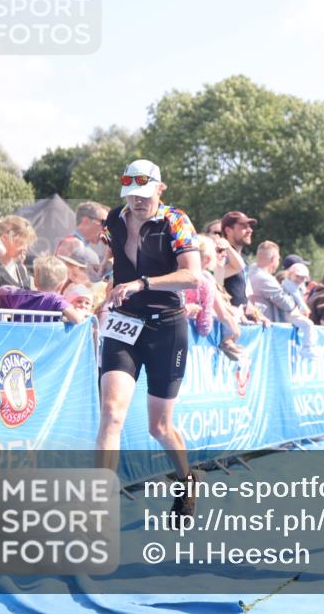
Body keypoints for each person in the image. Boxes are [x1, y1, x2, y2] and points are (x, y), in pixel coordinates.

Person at [95, 159, 204, 526]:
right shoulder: (114, 218)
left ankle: (187, 479)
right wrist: (103, 275)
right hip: (125, 324)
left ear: (161, 188)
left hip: (166, 328)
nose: (138, 202)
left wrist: (142, 283)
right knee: (111, 414)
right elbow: (114, 258)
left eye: (145, 195)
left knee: (159, 427)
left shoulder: (175, 221)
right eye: (131, 196)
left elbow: (193, 276)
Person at [0, 255, 89, 324]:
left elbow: (3, 289)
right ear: (60, 285)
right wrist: (81, 314)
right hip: (42, 348)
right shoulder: (55, 299)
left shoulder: (18, 295)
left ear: (35, 281)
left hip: (19, 346)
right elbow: (76, 319)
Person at [0, 214, 37, 298]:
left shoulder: (21, 269)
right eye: (21, 243)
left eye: (27, 244)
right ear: (4, 238)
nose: (25, 248)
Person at [220, 211, 256, 309]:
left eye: (249, 226)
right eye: (244, 226)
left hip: (242, 320)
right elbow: (215, 283)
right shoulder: (221, 256)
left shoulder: (245, 259)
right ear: (228, 230)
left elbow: (245, 295)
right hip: (226, 320)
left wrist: (258, 315)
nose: (250, 230)